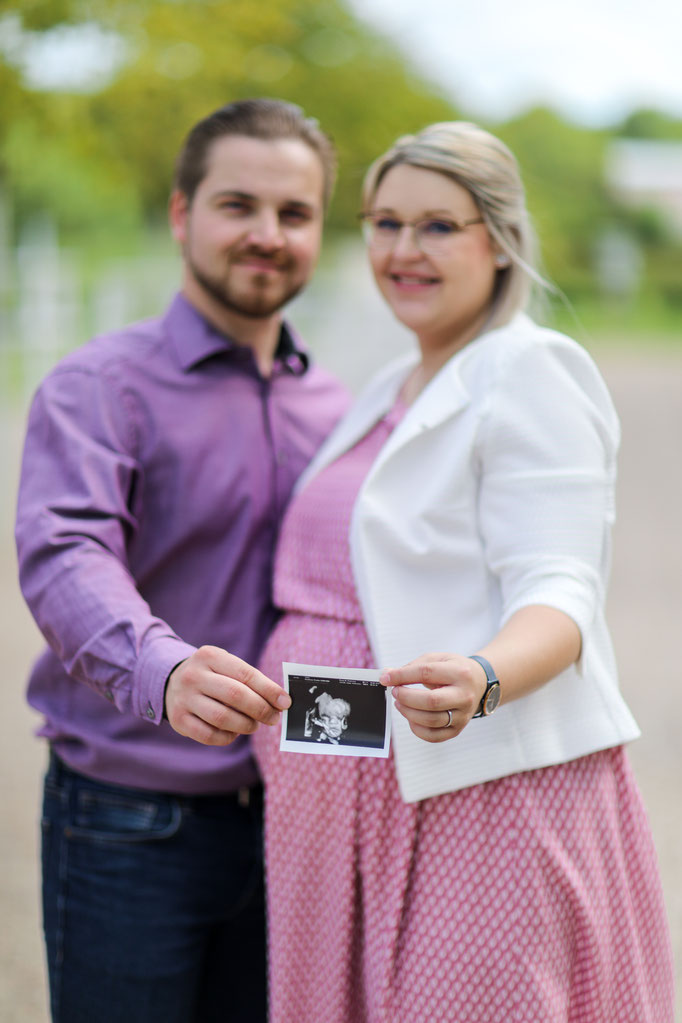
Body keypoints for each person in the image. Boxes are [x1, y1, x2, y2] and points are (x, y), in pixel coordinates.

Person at [252, 121, 675, 1022]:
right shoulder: (388, 384)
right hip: (345, 796)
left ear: (500, 237)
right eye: (383, 222)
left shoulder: (531, 368)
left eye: (437, 226)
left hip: (475, 795)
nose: (403, 249)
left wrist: (483, 679)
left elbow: (560, 588)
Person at [15, 98, 350, 1023]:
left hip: (297, 820)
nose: (267, 235)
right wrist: (161, 670)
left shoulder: (344, 408)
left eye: (295, 213)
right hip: (130, 822)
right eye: (238, 204)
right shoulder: (97, 385)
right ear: (181, 214)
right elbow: (64, 551)